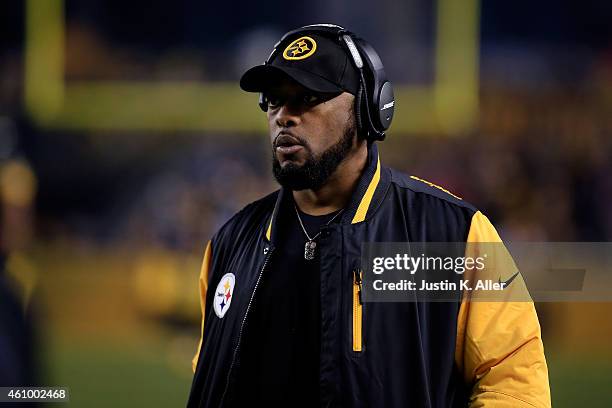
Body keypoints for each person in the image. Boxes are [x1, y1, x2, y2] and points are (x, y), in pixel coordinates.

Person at [187, 24, 550, 407]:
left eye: (308, 97)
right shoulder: (231, 242)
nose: (285, 117)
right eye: (275, 100)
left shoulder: (449, 233)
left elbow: (514, 379)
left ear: (369, 108)